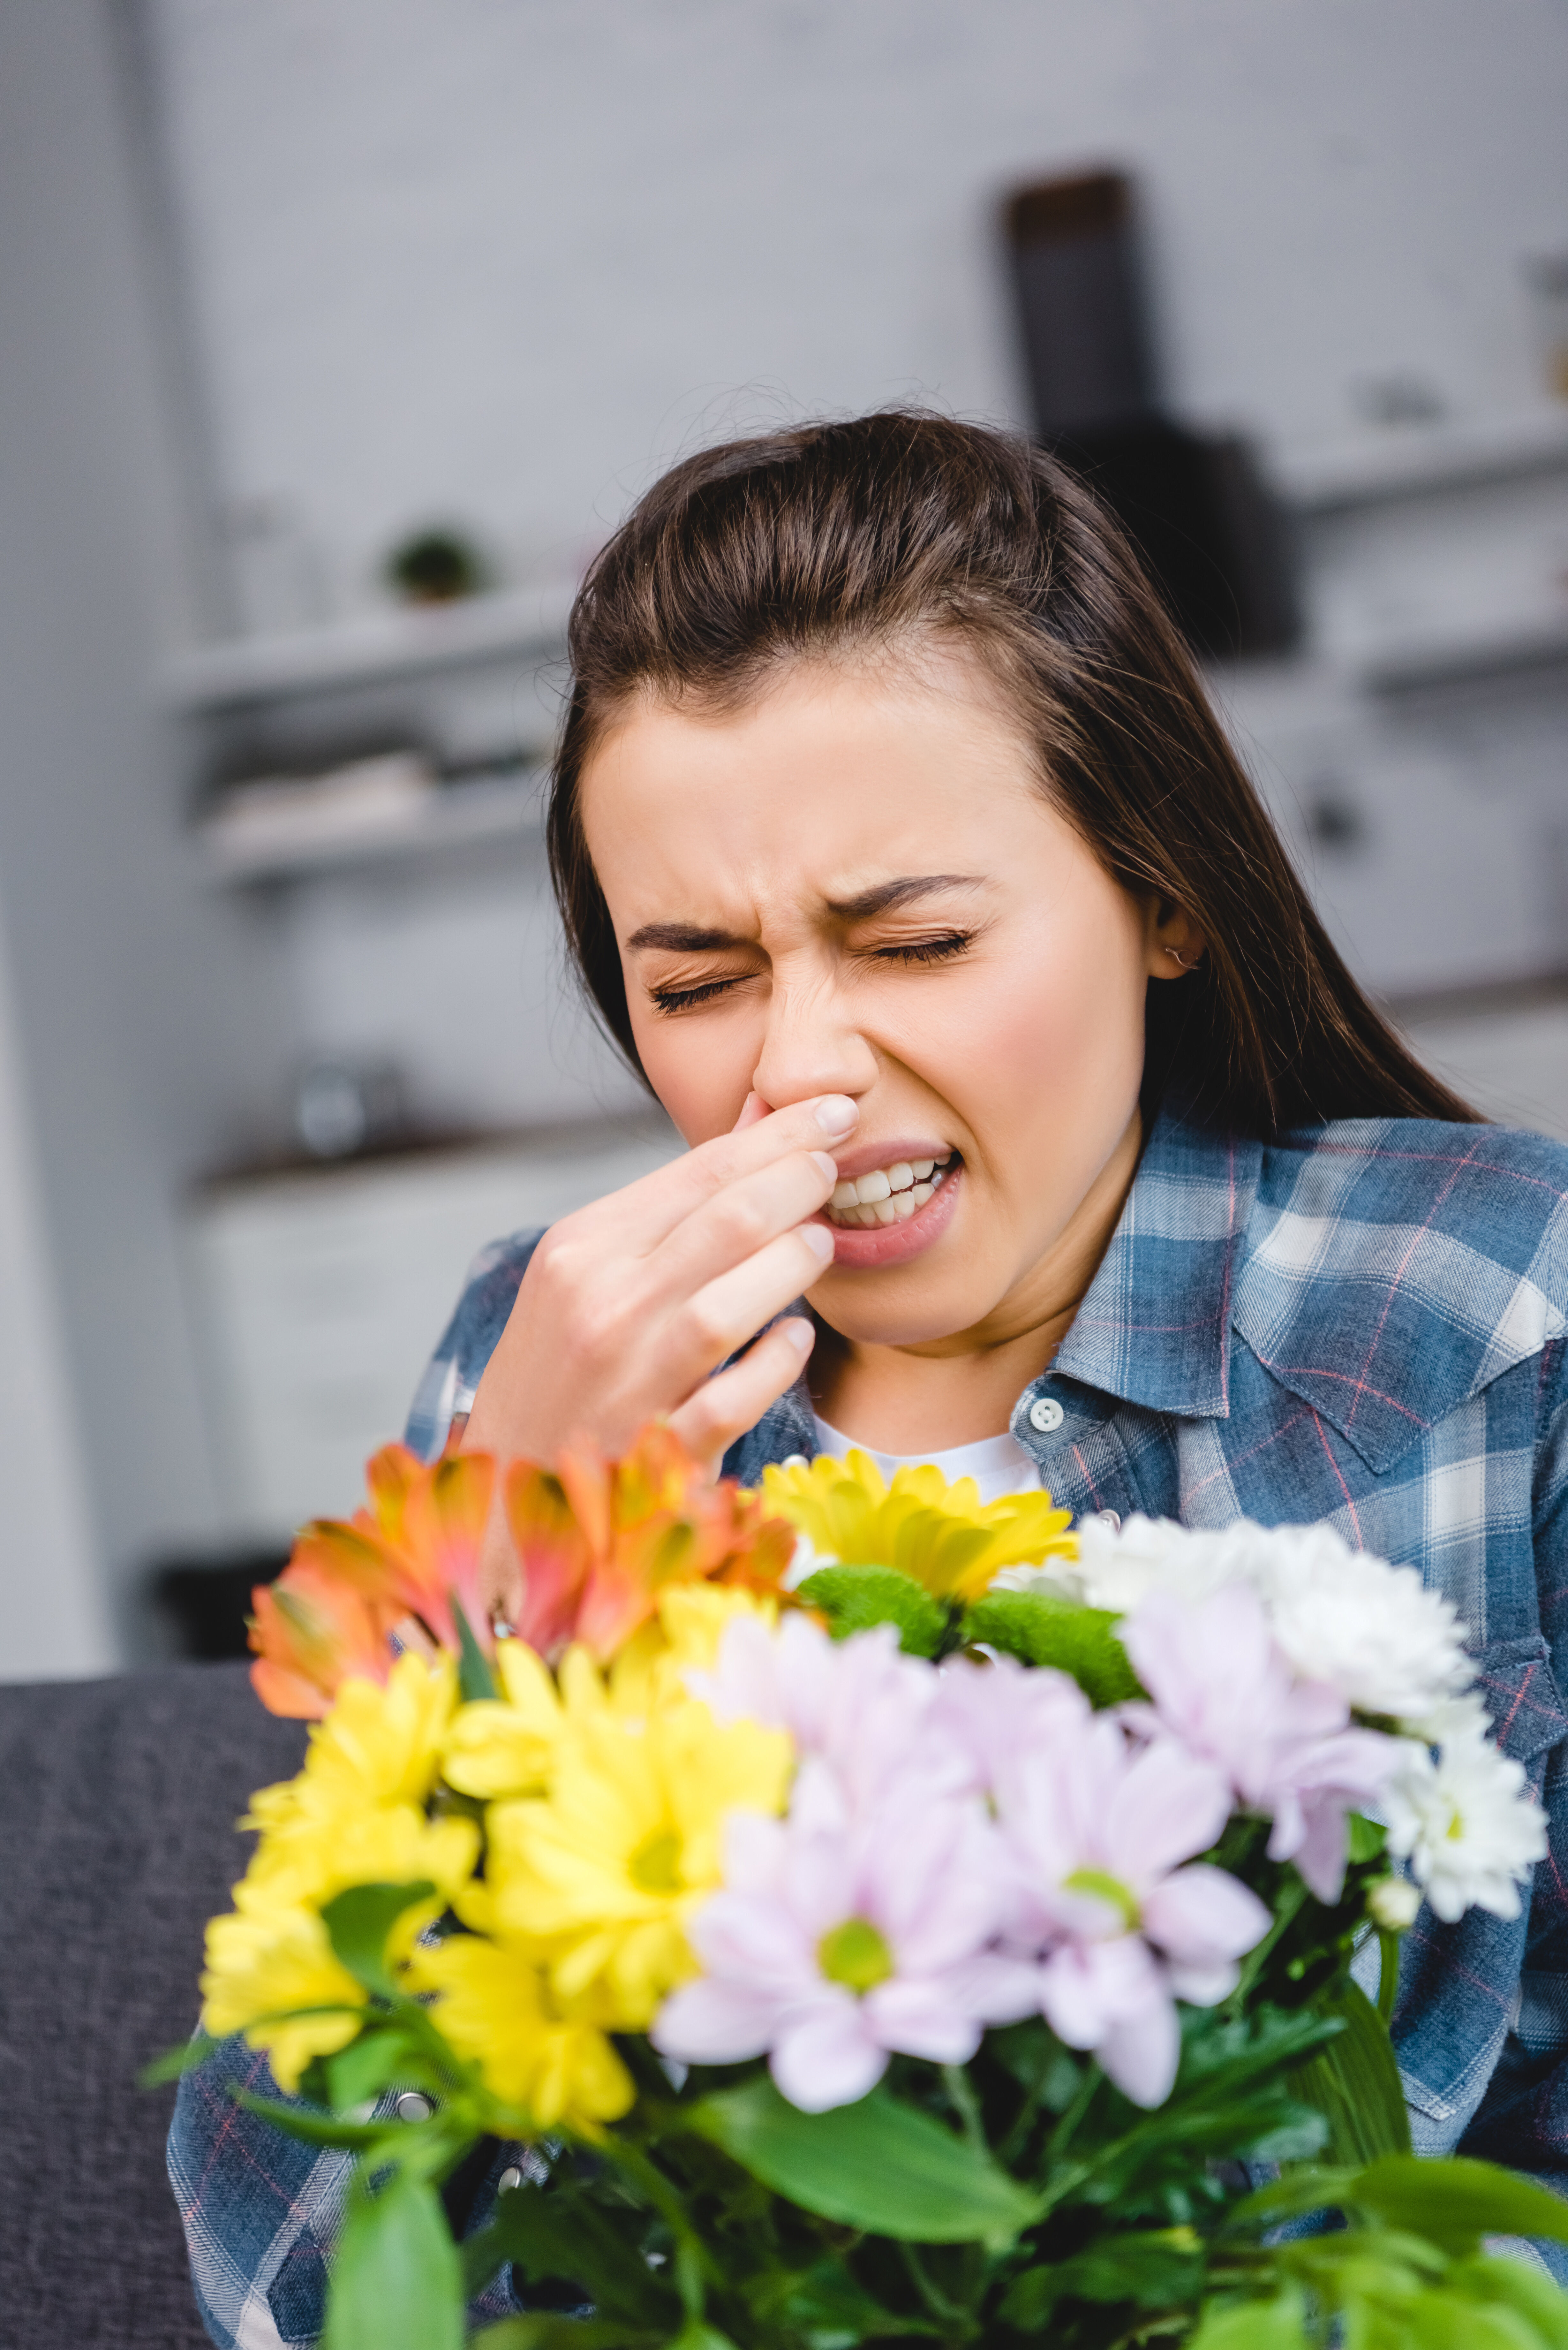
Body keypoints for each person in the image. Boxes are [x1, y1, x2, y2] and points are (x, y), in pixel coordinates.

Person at [172, 413, 1568, 2343]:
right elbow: (302, 2288)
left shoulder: (1494, 1314)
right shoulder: (536, 1360)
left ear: (1164, 898)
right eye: (695, 980)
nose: (798, 1076)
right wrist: (501, 1575)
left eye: (913, 939)